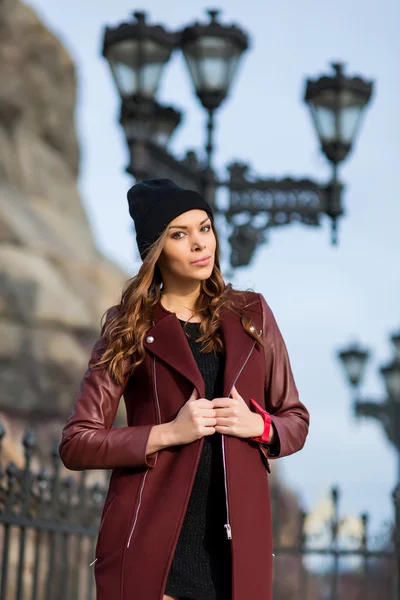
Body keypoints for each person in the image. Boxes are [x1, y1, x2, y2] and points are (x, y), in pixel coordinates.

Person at [59, 179, 310, 600]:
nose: (199, 244)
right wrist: (168, 433)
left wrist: (260, 426)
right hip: (151, 560)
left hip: (237, 563)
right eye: (180, 234)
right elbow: (77, 442)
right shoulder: (129, 326)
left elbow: (295, 421)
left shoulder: (253, 315)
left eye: (205, 227)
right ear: (156, 250)